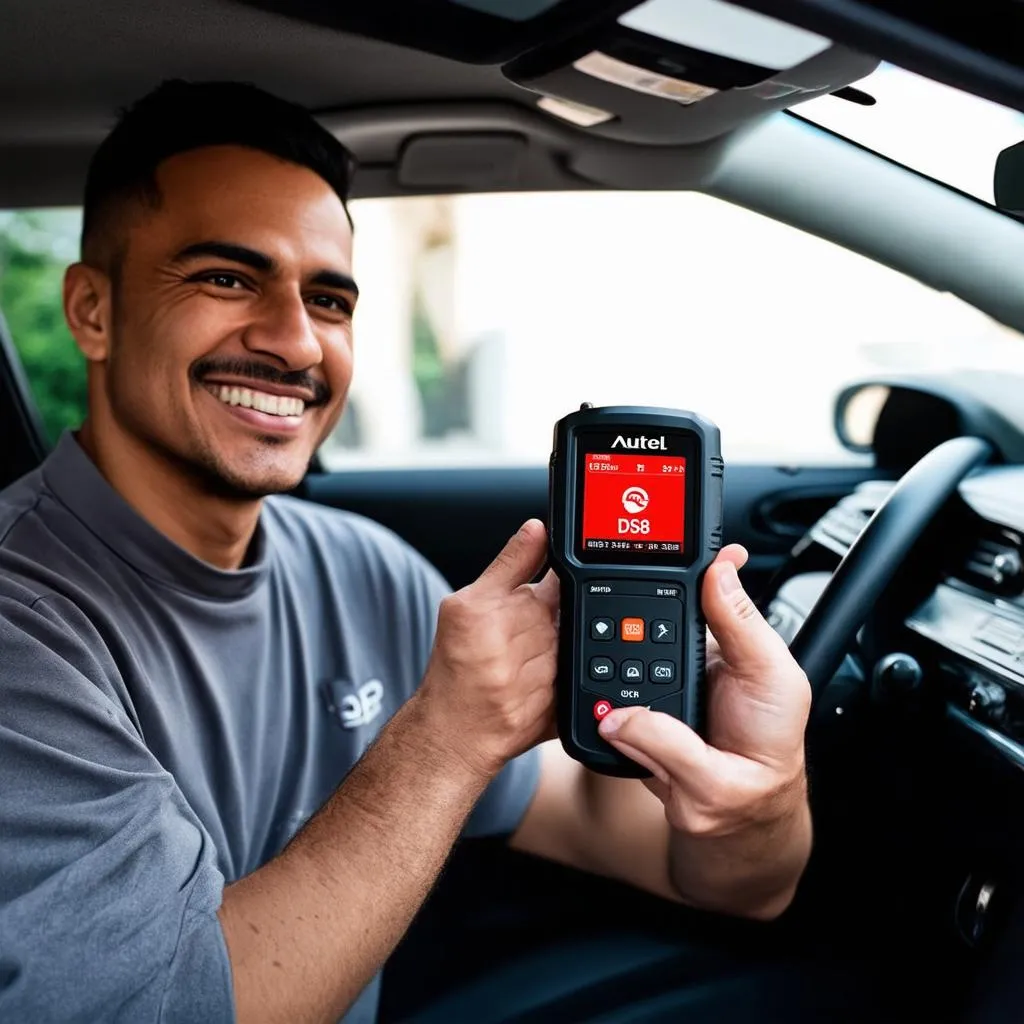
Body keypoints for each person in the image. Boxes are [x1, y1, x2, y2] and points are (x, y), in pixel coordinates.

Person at [0, 80, 812, 1024]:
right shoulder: (23, 629)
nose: (295, 342)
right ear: (92, 311)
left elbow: (686, 865)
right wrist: (443, 742)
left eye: (330, 299)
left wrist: (760, 806)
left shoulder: (364, 572)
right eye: (226, 278)